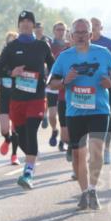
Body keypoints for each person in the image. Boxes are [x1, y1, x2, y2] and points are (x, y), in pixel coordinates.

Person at [48, 18, 111, 210]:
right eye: (77, 33)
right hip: (75, 112)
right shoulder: (64, 57)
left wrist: (110, 81)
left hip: (99, 109)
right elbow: (51, 84)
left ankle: (92, 189)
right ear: (71, 36)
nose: (80, 36)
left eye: (84, 32)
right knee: (79, 156)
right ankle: (83, 192)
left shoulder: (103, 53)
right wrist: (65, 80)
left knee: (96, 153)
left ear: (90, 34)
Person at [0, 11, 55, 190]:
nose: (26, 24)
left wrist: (51, 80)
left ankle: (28, 173)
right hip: (16, 99)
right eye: (22, 22)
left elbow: (54, 66)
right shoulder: (11, 47)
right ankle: (32, 157)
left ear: (33, 25)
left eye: (29, 21)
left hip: (36, 98)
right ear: (18, 25)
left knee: (31, 131)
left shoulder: (42, 46)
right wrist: (11, 73)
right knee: (21, 135)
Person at [90, 18, 111, 165]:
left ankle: (106, 150)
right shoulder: (82, 43)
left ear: (101, 27)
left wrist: (110, 80)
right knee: (87, 119)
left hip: (104, 88)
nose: (93, 28)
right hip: (85, 89)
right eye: (91, 26)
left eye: (96, 25)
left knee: (105, 117)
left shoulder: (109, 44)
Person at [0, 31, 21, 164]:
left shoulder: (21, 58)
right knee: (4, 129)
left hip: (17, 97)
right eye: (9, 42)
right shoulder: (2, 58)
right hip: (4, 97)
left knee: (15, 128)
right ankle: (7, 139)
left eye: (13, 42)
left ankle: (14, 155)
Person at [46, 21, 70, 153]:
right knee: (52, 115)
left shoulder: (70, 45)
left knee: (63, 114)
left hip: (64, 85)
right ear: (54, 31)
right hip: (52, 83)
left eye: (63, 29)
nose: (61, 32)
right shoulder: (49, 45)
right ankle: (54, 130)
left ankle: (63, 140)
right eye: (58, 29)